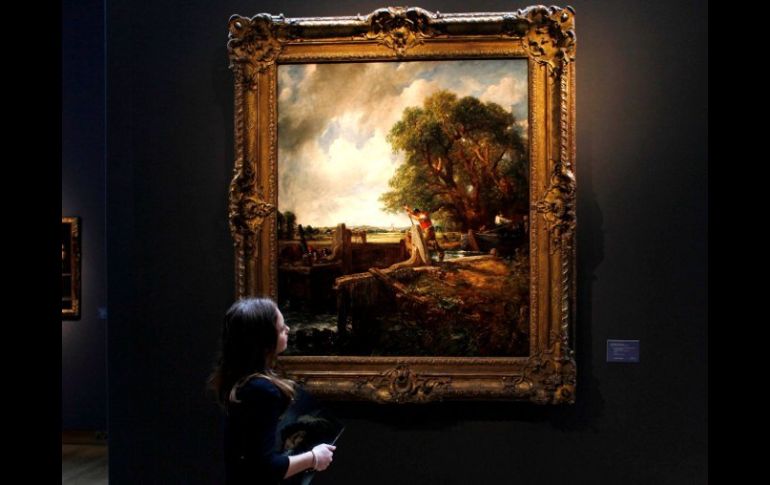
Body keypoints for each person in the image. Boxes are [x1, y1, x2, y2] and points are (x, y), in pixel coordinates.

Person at [209, 298, 336, 485]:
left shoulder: (240, 382)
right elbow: (265, 468)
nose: (288, 329)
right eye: (282, 328)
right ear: (264, 340)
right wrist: (314, 457)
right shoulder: (262, 391)